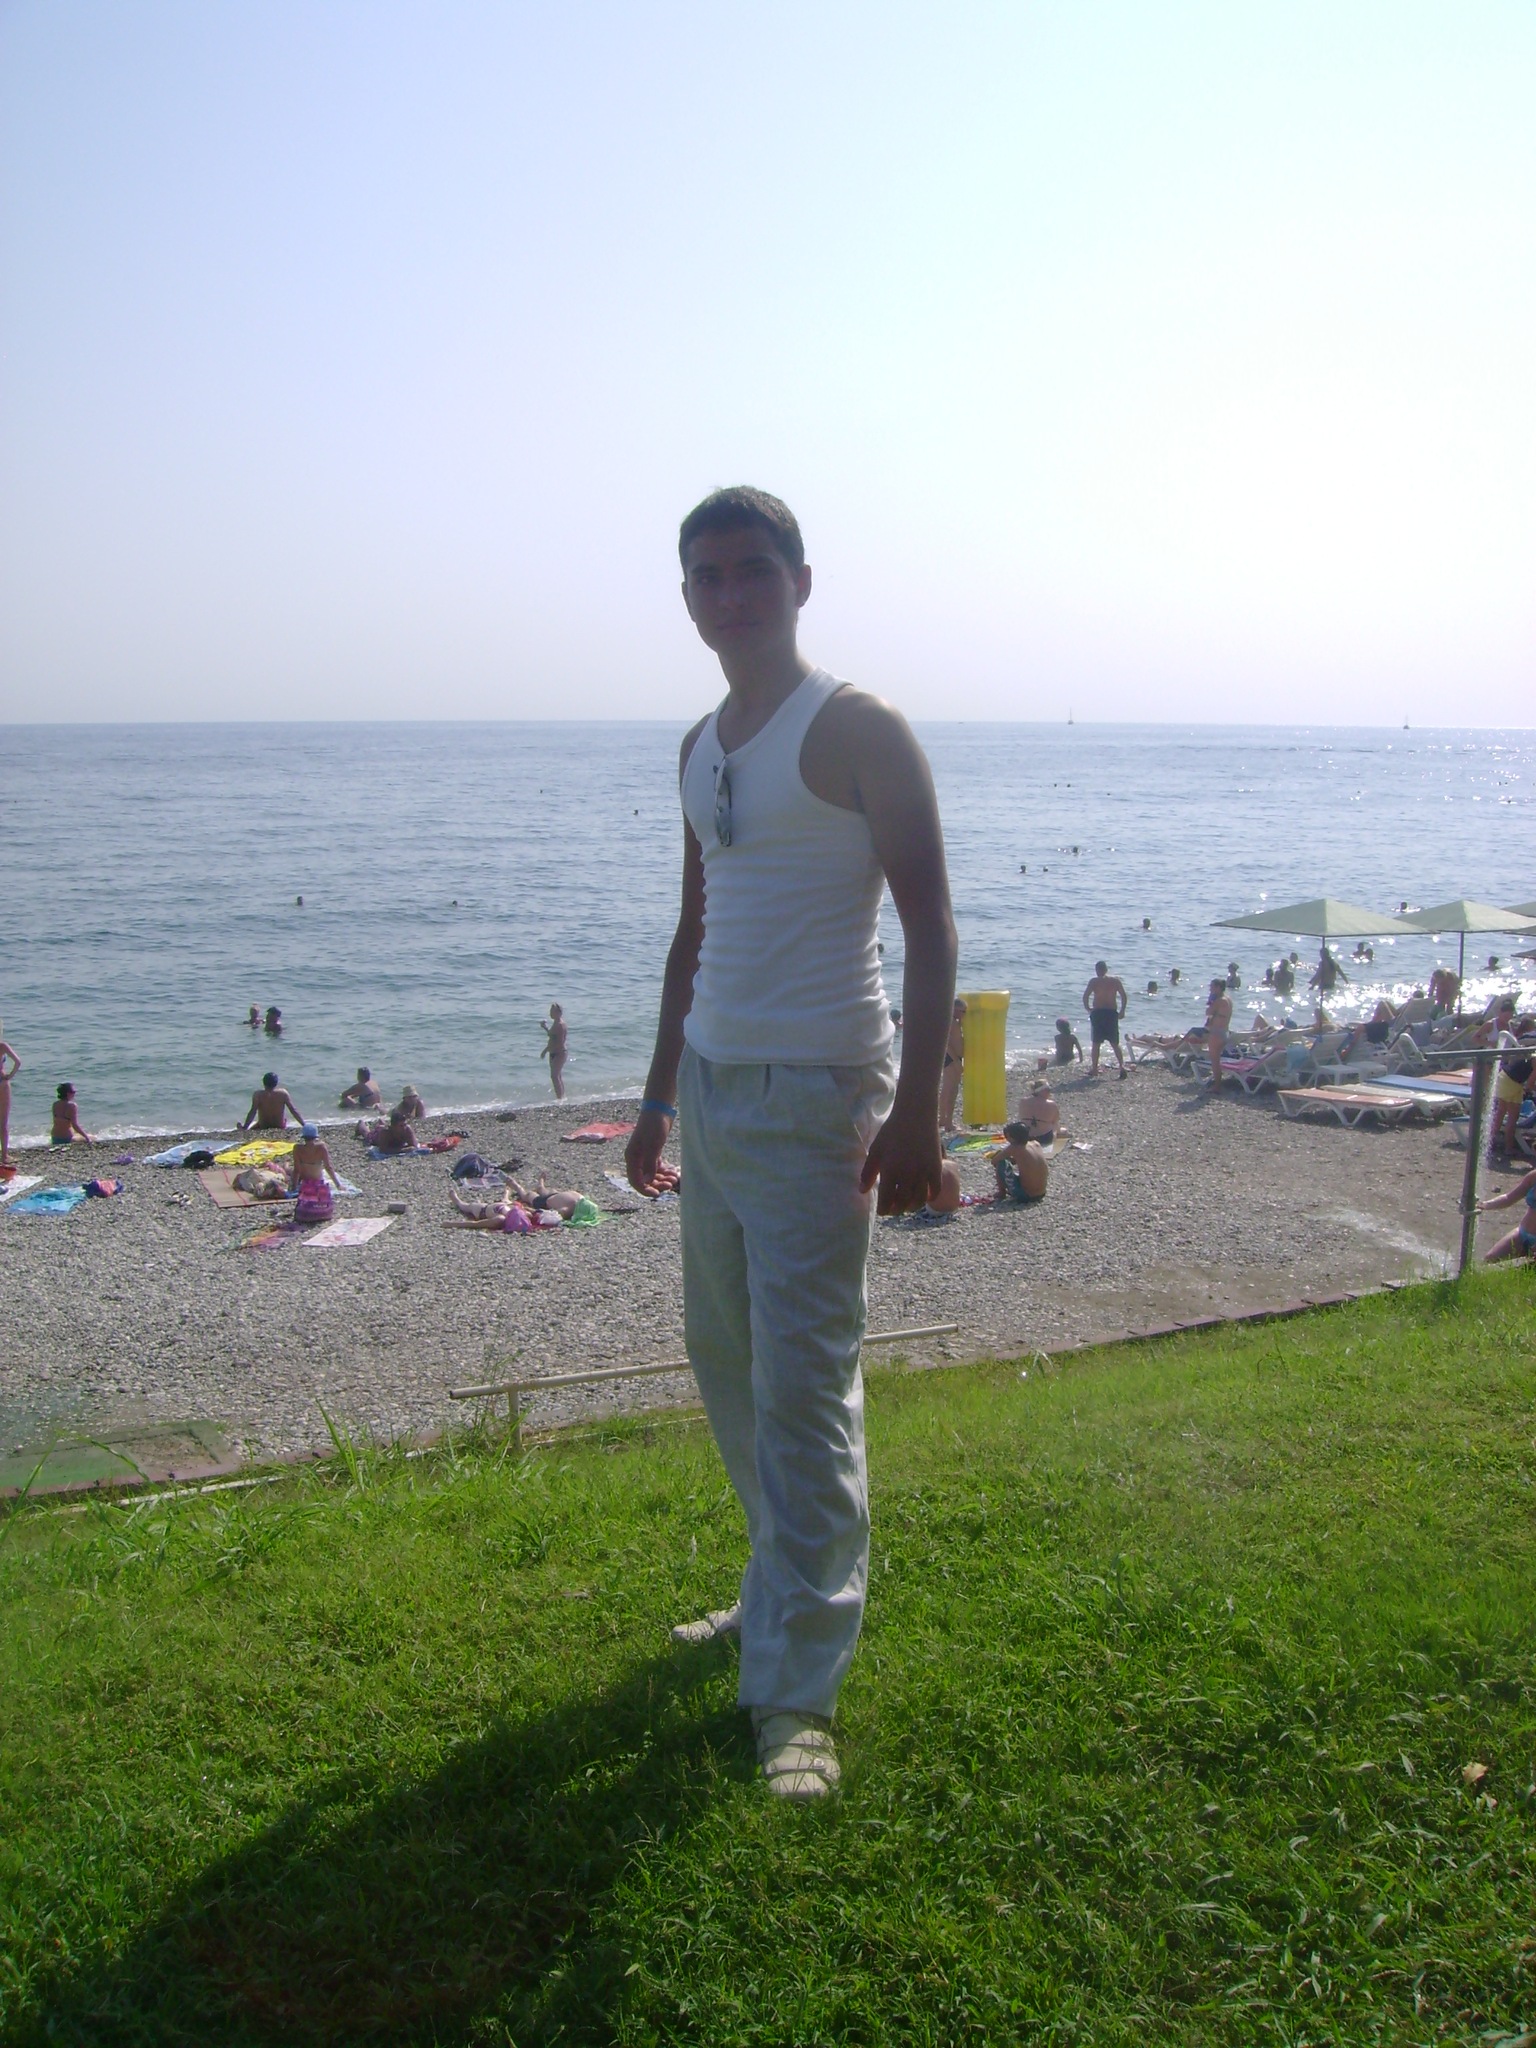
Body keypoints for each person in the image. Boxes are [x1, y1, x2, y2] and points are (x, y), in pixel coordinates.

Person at [624, 485, 955, 1801]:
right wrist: (656, 1098)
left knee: (807, 1389)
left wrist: (921, 1111)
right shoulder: (699, 745)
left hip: (821, 1092)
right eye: (707, 576)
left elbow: (930, 928)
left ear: (800, 582)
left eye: (753, 569)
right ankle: (782, 1588)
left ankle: (798, 1696)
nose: (732, 594)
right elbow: (692, 934)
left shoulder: (858, 727)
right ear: (688, 599)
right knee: (729, 1359)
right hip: (712, 1087)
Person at [1490, 1028, 1535, 1160]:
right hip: (1512, 1082)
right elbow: (1530, 1084)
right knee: (1512, 1117)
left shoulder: (1532, 1052)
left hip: (1505, 1077)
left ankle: (1489, 1143)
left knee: (1501, 1112)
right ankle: (1508, 1148)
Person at [1475, 1166, 1536, 1261]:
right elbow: (1508, 1198)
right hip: (1523, 1233)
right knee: (1490, 1259)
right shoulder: (1533, 1176)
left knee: (1526, 1267)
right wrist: (1484, 1205)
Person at [287, 1123, 343, 1223]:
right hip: (318, 1184)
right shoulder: (321, 1147)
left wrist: (294, 1188)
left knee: (288, 1170)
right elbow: (328, 1167)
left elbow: (297, 1170)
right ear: (315, 1136)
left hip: (306, 1184)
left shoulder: (297, 1149)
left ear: (303, 1137)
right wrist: (338, 1185)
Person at [1082, 961, 1128, 1078]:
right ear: (1106, 969)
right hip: (1111, 1012)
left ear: (1097, 970)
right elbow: (1123, 996)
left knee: (1096, 1043)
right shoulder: (1115, 981)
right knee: (1114, 1042)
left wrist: (1088, 1009)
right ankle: (1121, 1066)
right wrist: (1122, 1010)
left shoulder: (1094, 981)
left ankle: (1094, 1068)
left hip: (1098, 1012)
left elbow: (1086, 996)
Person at [990, 1123, 1049, 1203]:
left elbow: (994, 1161)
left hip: (1026, 1195)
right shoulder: (1036, 1143)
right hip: (1042, 1193)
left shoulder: (1014, 1147)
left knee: (1001, 1163)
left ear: (1010, 1136)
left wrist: (1004, 1156)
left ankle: (1001, 1193)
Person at [938, 997, 966, 1131]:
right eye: (962, 1011)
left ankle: (943, 1119)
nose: (964, 1014)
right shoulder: (952, 1022)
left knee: (949, 1089)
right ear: (955, 1009)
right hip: (951, 1057)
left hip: (953, 1057)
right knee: (951, 1089)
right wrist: (956, 1062)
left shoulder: (955, 1022)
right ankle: (947, 1122)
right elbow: (946, 1044)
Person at [1012, 1077, 1065, 1145]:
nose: (1049, 1092)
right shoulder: (1051, 1104)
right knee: (1059, 1129)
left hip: (1025, 1136)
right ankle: (1053, 1147)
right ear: (1042, 1091)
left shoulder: (1023, 1101)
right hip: (1044, 1138)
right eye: (1048, 1089)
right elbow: (1055, 1122)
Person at [1205, 978, 1233, 1087]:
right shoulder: (1228, 999)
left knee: (1215, 1060)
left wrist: (1211, 1001)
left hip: (1216, 1033)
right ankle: (1217, 1084)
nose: (1210, 989)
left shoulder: (1219, 1001)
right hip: (1224, 1031)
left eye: (1212, 987)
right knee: (1216, 1059)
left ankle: (1217, 1086)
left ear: (1218, 988)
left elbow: (1208, 1012)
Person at [540, 1004, 569, 1100]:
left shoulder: (560, 1025)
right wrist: (545, 1027)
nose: (550, 1013)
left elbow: (558, 1041)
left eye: (553, 1011)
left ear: (559, 1013)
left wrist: (546, 1050)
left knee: (555, 1076)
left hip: (559, 1052)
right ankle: (561, 1097)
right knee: (557, 1076)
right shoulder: (556, 1023)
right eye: (550, 1011)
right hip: (554, 1052)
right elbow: (552, 1035)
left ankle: (560, 1098)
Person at [0, 1022, 19, 1169]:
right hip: (1, 1082)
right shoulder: (2, 1046)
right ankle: (4, 1156)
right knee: (3, 1121)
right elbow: (18, 1062)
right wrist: (10, 1076)